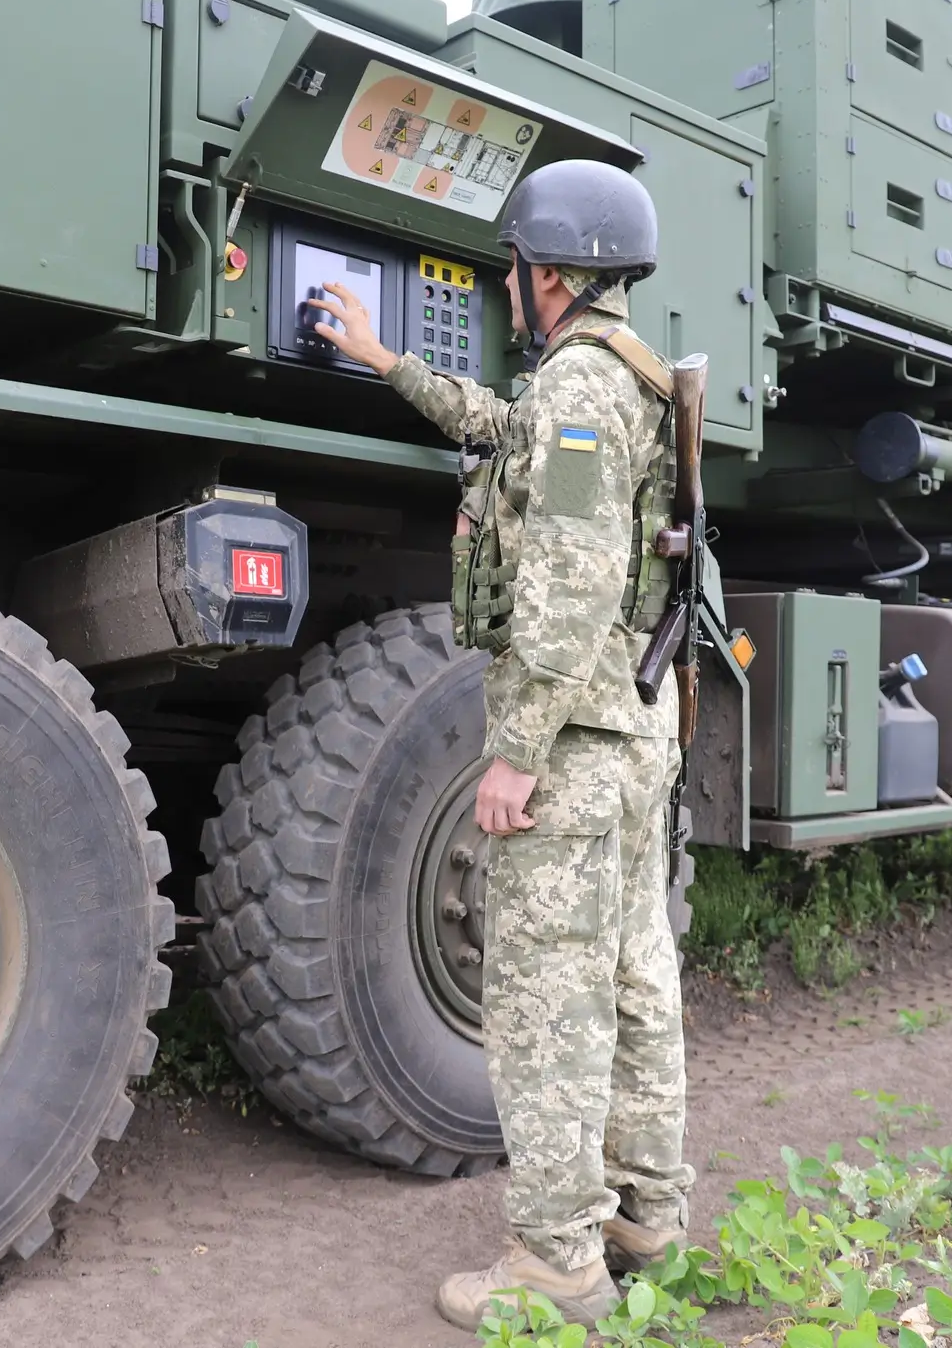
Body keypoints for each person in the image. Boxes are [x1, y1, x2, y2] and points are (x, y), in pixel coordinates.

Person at [308, 158, 697, 1331]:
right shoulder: (611, 378)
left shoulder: (580, 390)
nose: (509, 284)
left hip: (573, 739)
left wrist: (515, 750)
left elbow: (569, 589)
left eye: (516, 267)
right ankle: (644, 1215)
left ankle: (555, 1261)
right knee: (634, 980)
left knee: (543, 998)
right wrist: (389, 363)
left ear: (551, 273)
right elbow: (504, 432)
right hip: (631, 733)